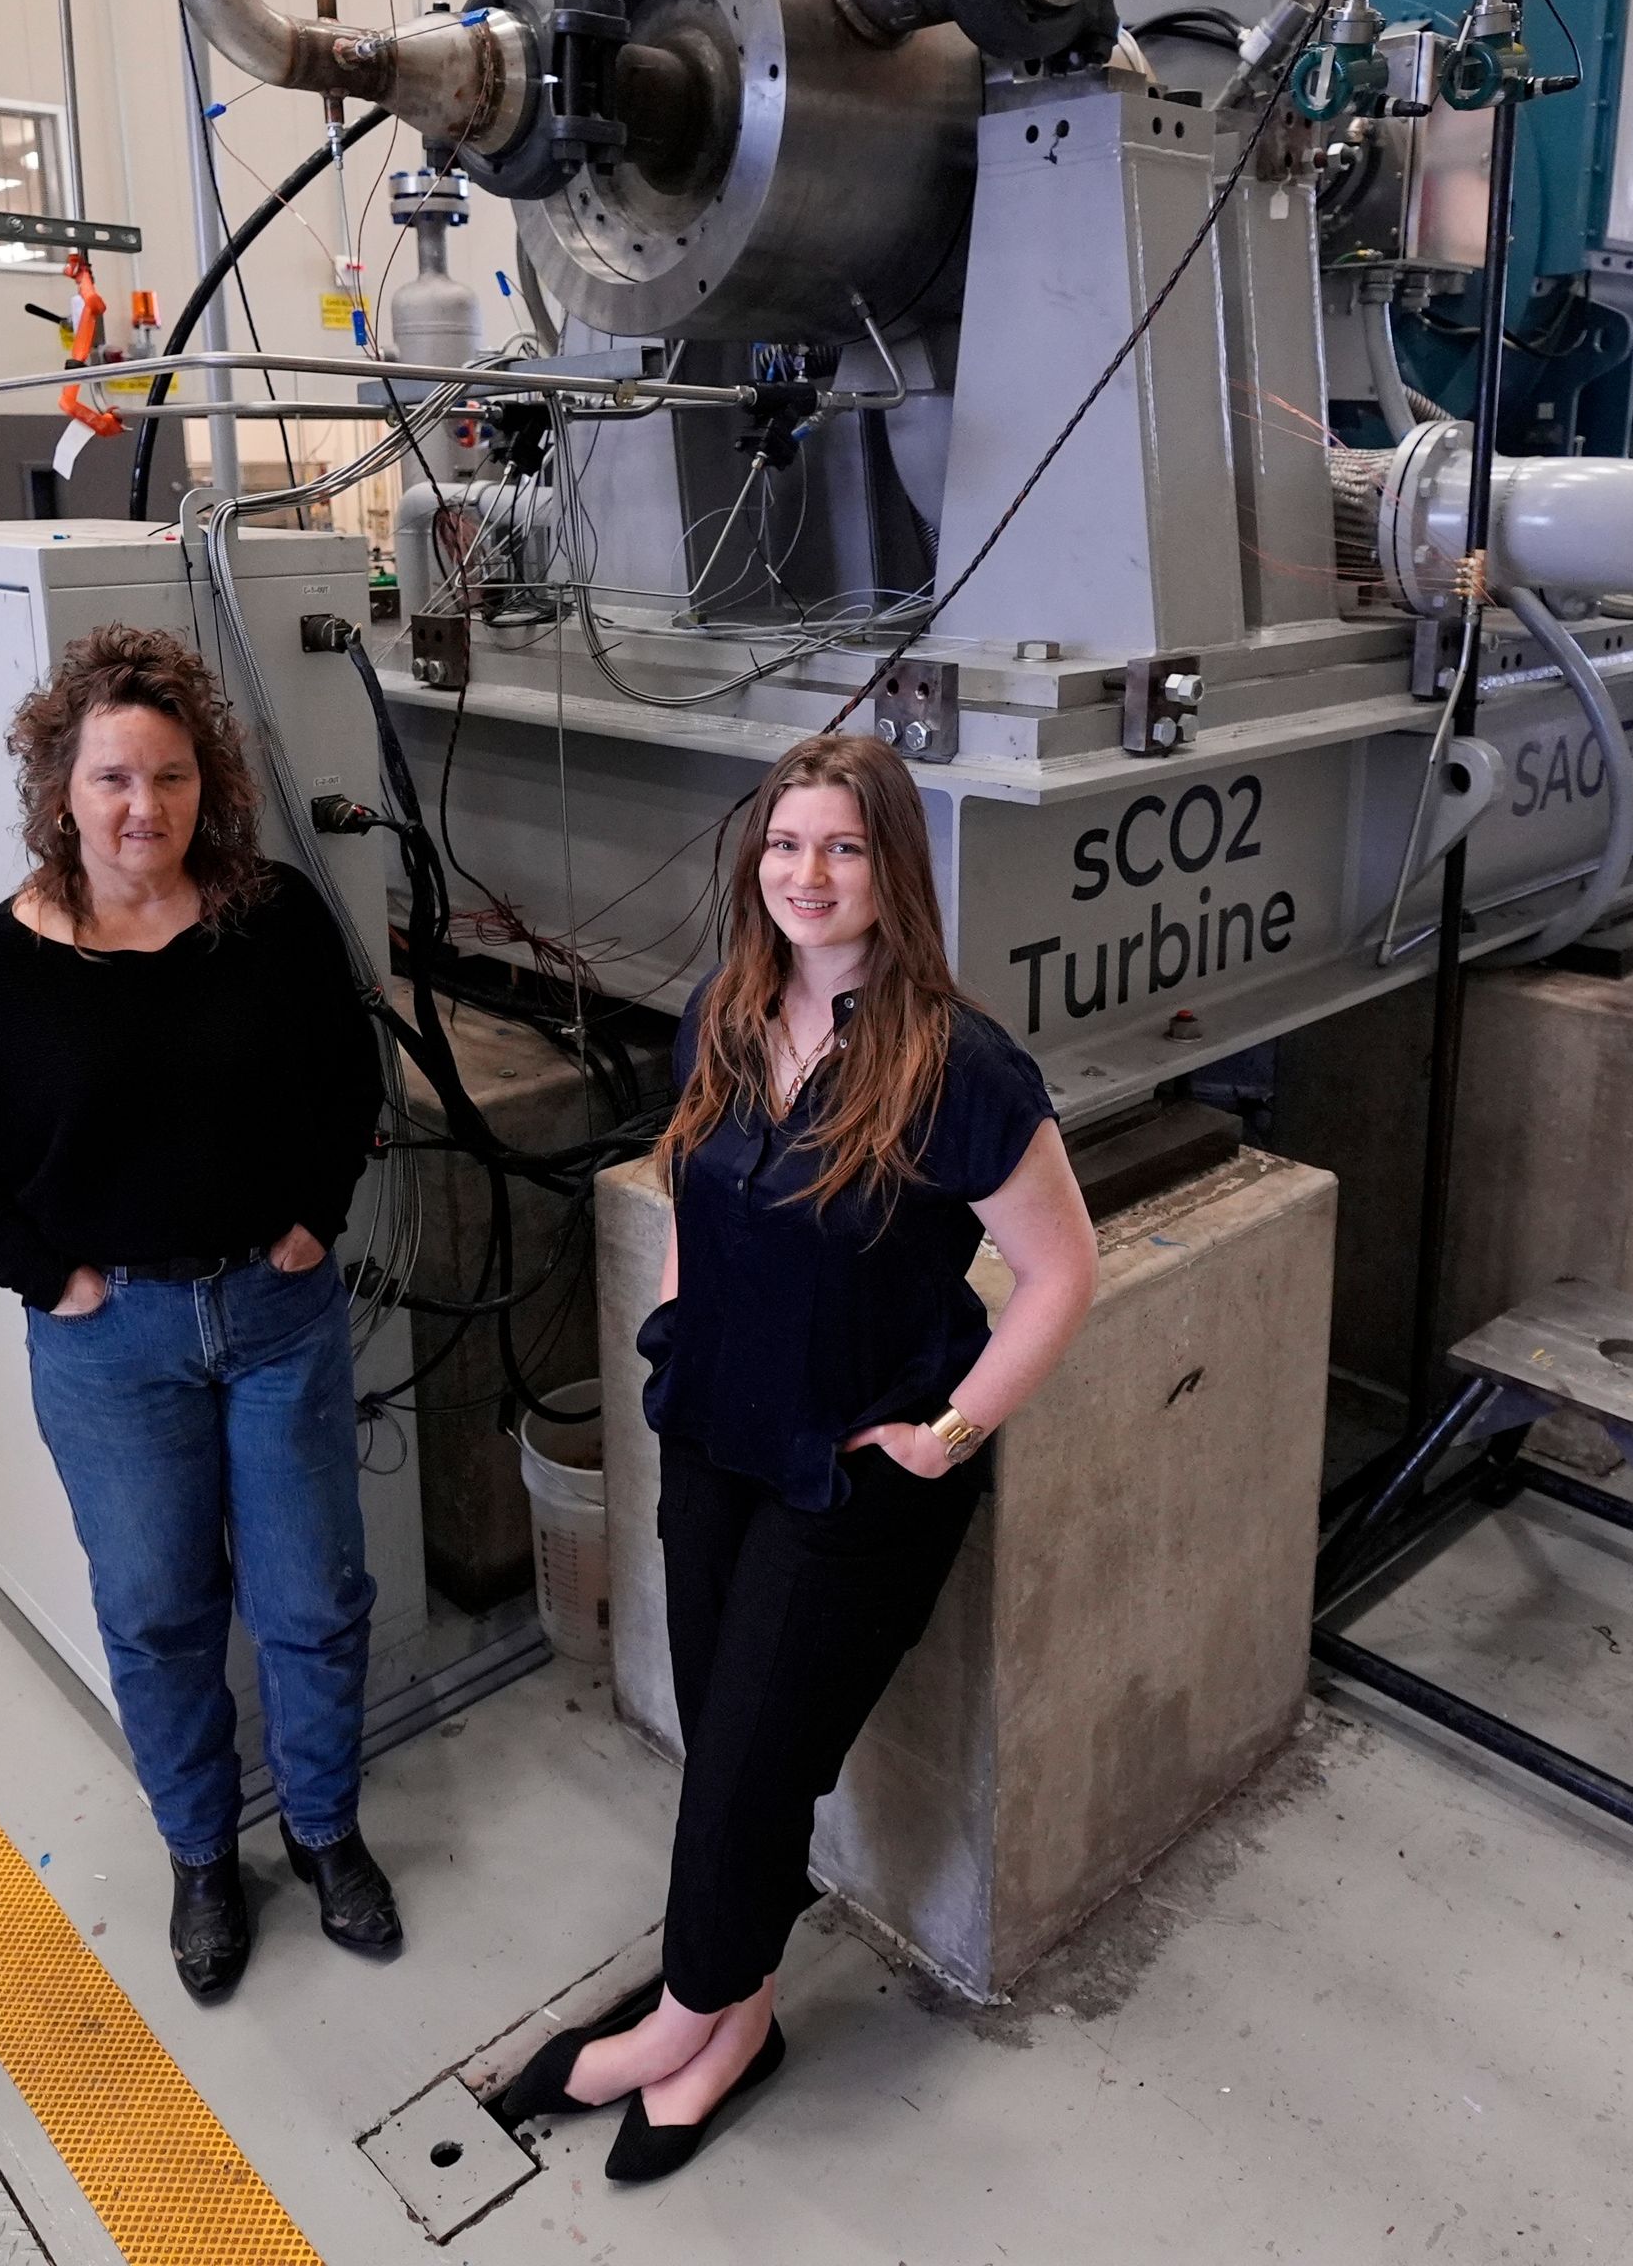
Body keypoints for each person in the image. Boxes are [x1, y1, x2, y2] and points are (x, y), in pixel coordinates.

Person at [495, 731, 1099, 2181]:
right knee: (733, 1748)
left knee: (757, 1751)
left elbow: (1063, 1272)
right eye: (784, 845)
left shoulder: (960, 1067)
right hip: (716, 1434)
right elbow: (695, 1174)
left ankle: (685, 2017)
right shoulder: (728, 1007)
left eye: (841, 847)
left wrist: (949, 1438)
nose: (806, 875)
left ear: (892, 870)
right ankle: (745, 2011)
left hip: (854, 1471)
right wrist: (678, 1314)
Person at [0, 623, 394, 2005]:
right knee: (162, 1611)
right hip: (111, 1344)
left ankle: (323, 1831)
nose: (144, 809)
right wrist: (49, 1276)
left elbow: (348, 1083)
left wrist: (311, 1218)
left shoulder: (273, 920)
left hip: (274, 1311)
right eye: (115, 778)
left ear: (206, 783)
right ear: (61, 789)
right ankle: (200, 1857)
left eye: (171, 777)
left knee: (312, 1599)